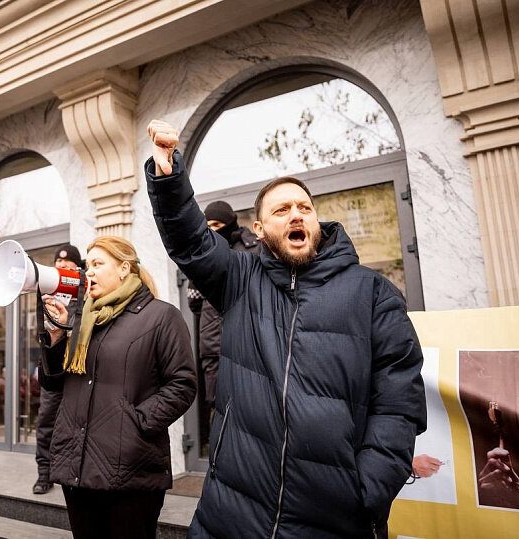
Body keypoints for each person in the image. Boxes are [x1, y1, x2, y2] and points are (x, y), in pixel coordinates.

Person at [144, 119, 426, 538]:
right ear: (258, 230)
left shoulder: (373, 293)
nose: (296, 214)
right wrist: (169, 178)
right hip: (232, 510)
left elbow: (398, 401)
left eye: (304, 208)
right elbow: (192, 242)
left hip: (334, 519)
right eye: (281, 209)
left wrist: (367, 489)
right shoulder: (239, 279)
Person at [40, 236, 197, 539]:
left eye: (98, 264)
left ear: (125, 268)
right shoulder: (83, 320)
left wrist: (136, 424)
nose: (89, 273)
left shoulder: (161, 317)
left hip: (131, 473)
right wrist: (58, 338)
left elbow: (183, 384)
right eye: (88, 267)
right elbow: (52, 384)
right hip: (78, 469)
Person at [187, 201, 258, 446]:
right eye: (207, 226)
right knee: (219, 414)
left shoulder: (252, 249)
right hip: (213, 348)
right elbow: (194, 302)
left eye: (217, 225)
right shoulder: (203, 253)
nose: (212, 230)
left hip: (247, 346)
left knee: (250, 415)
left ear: (230, 223)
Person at [33, 243, 82, 495]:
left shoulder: (85, 290)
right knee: (47, 421)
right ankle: (44, 473)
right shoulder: (49, 293)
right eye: (58, 262)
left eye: (67, 262)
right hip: (54, 369)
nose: (61, 265)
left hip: (79, 371)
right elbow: (39, 334)